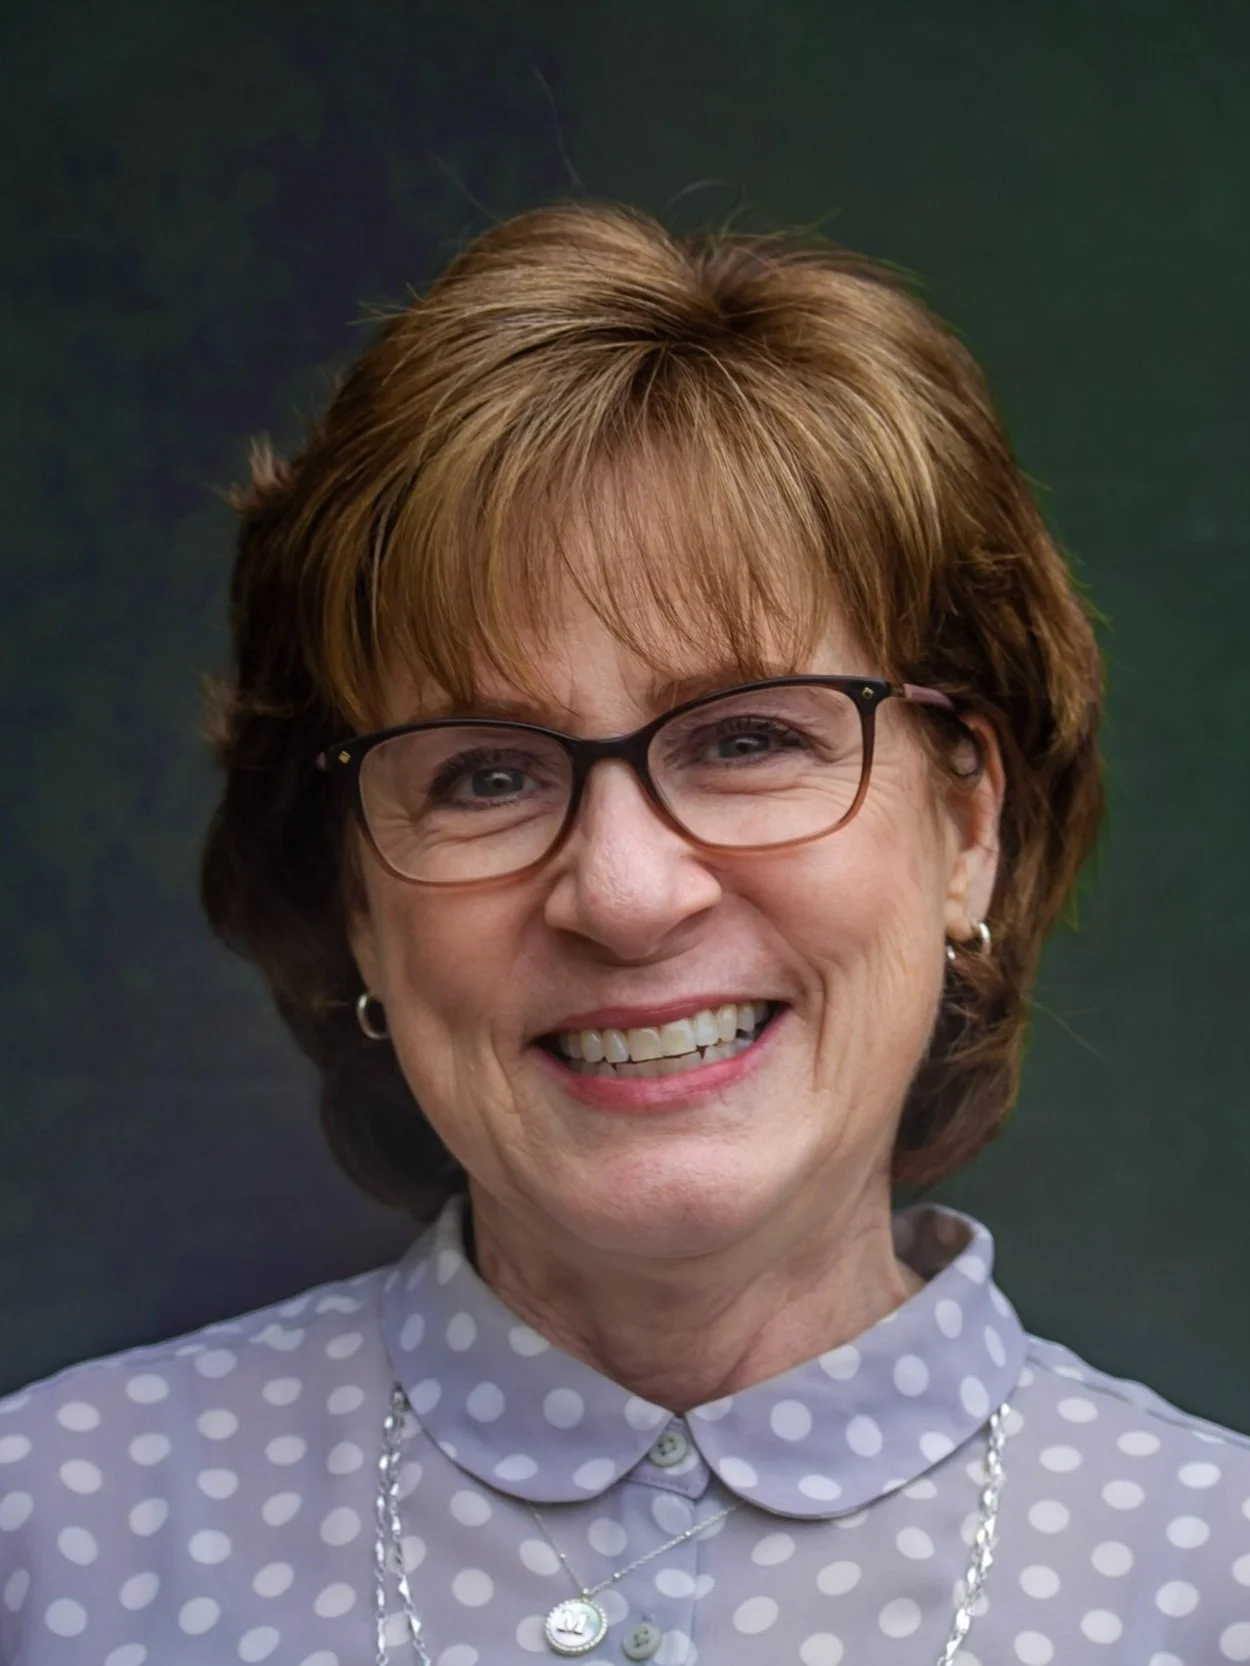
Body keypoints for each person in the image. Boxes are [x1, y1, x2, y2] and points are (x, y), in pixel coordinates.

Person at [1, 201, 1247, 1666]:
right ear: (355, 898)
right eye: (486, 770)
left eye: (744, 738)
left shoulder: (1213, 1584)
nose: (625, 889)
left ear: (966, 823)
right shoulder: (45, 1552)